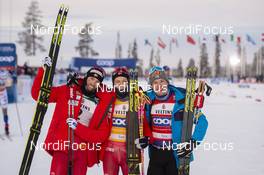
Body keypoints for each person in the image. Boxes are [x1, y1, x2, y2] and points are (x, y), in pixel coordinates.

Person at [31, 57, 115, 175]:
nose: (93, 83)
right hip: (62, 146)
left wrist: (78, 128)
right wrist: (43, 71)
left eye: (97, 82)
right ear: (86, 78)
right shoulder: (68, 90)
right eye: (91, 79)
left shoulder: (101, 103)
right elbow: (38, 95)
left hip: (82, 151)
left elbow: (102, 135)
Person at [136, 66, 208, 175]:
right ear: (151, 85)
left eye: (162, 81)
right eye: (155, 83)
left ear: (167, 82)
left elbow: (202, 121)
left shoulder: (182, 100)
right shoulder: (146, 101)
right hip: (155, 153)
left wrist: (192, 143)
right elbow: (141, 122)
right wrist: (144, 138)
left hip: (175, 154)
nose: (159, 86)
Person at [100, 67, 130, 175]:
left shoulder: (136, 100)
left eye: (124, 81)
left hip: (129, 149)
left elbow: (144, 122)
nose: (121, 84)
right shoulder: (107, 98)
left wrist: (145, 137)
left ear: (128, 83)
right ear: (113, 84)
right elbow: (91, 86)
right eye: (117, 81)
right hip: (110, 150)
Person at [0, 70, 10, 135]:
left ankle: (6, 127)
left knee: (5, 112)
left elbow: (9, 81)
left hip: (3, 93)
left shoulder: (4, 72)